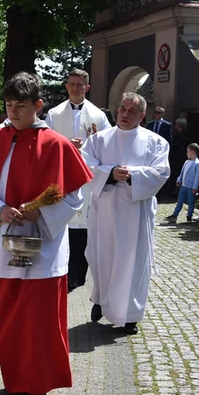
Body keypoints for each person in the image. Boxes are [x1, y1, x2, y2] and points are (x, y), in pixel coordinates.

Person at [0, 72, 92, 395]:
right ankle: (15, 381)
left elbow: (75, 196)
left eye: (21, 106)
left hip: (42, 249)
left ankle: (35, 387)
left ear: (38, 106)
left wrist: (39, 216)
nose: (13, 112)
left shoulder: (57, 145)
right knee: (7, 318)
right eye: (9, 105)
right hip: (2, 246)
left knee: (39, 320)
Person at [84, 93, 171, 335]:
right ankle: (101, 300)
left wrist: (132, 174)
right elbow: (85, 165)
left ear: (142, 116)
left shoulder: (156, 142)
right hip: (105, 211)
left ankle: (130, 315)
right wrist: (110, 173)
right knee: (101, 256)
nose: (124, 114)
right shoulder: (99, 139)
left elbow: (161, 173)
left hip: (136, 213)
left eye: (132, 111)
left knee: (132, 263)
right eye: (122, 108)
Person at [44, 68, 111, 291]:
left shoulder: (99, 116)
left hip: (87, 179)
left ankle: (78, 275)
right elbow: (45, 145)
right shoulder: (54, 114)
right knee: (63, 225)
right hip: (62, 176)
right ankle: (61, 271)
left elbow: (107, 146)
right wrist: (66, 147)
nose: (75, 88)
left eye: (80, 84)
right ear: (66, 86)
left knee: (83, 229)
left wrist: (85, 149)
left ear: (87, 87)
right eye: (72, 84)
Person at [167, 143, 199, 223]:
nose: (186, 153)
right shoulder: (186, 162)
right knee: (179, 201)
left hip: (191, 187)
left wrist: (195, 187)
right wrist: (179, 180)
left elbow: (198, 176)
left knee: (191, 202)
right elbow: (182, 173)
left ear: (192, 152)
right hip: (183, 186)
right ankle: (175, 215)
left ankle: (189, 216)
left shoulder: (198, 164)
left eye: (188, 151)